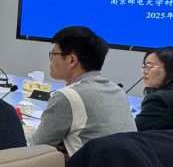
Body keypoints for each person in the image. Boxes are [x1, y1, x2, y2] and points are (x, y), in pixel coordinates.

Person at [29, 26, 135, 156]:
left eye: (53, 54)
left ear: (71, 60)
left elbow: (36, 149)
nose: (50, 59)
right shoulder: (117, 91)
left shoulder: (67, 96)